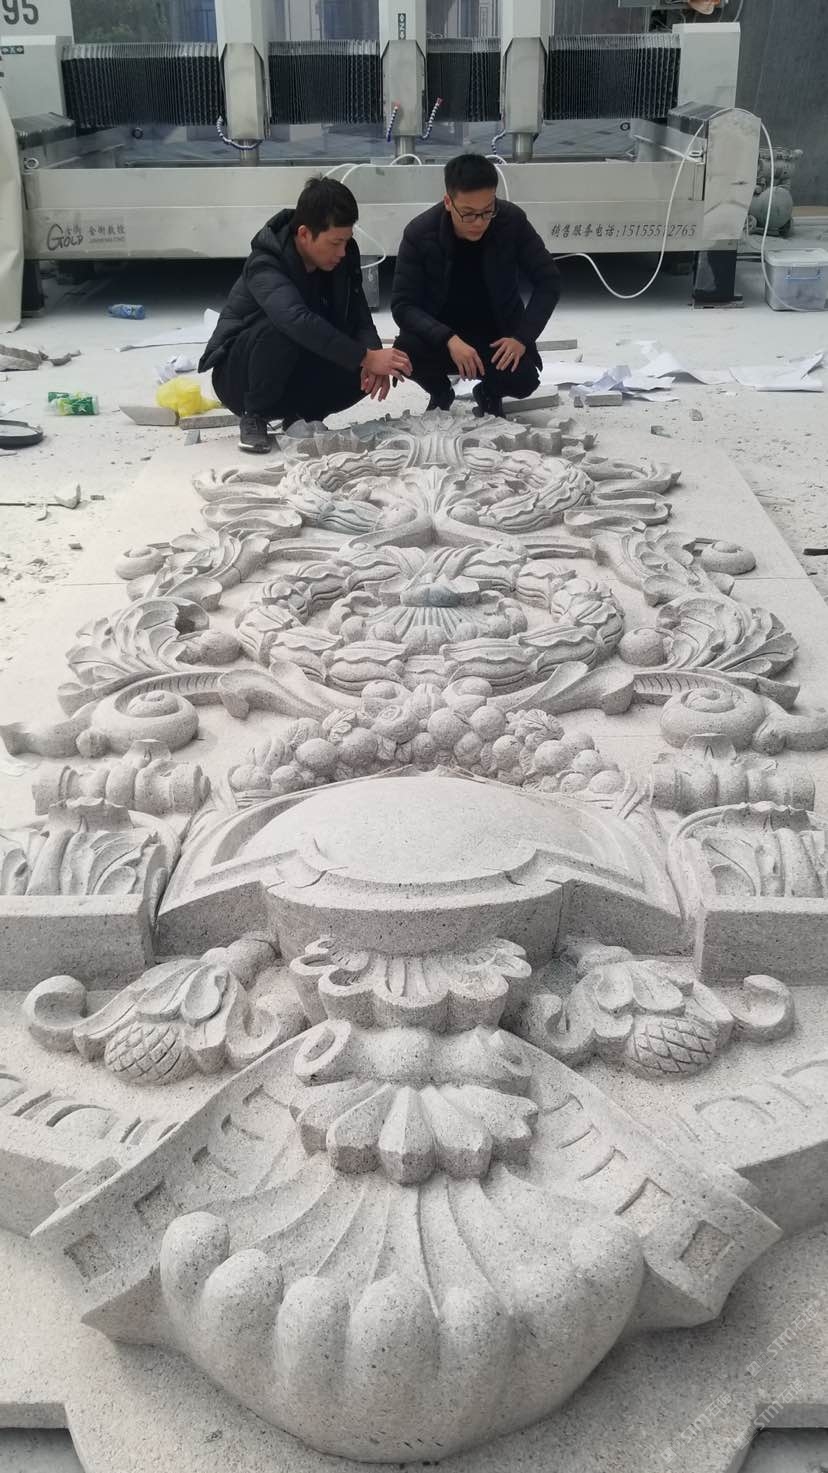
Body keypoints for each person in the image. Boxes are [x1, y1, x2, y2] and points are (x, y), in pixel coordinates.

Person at [200, 176, 411, 453]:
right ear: (304, 234)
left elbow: (359, 314)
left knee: (360, 367)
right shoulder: (266, 261)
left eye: (347, 241)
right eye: (335, 243)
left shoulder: (343, 256)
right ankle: (254, 417)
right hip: (241, 376)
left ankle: (302, 416)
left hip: (296, 369)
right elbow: (295, 320)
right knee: (286, 329)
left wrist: (373, 355)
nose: (342, 251)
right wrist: (367, 357)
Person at [391, 153, 561, 417]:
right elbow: (403, 305)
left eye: (487, 211)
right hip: (441, 337)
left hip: (495, 335)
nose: (480, 222)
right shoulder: (420, 233)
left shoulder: (511, 221)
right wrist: (448, 338)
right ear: (448, 202)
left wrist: (522, 337)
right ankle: (440, 391)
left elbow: (549, 280)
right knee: (405, 353)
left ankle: (489, 393)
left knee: (524, 379)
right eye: (469, 214)